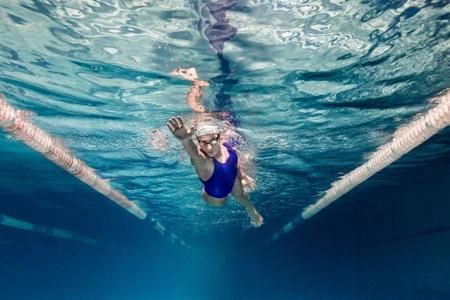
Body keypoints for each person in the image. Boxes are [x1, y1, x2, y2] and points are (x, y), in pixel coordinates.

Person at [166, 116, 264, 226]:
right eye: (203, 142)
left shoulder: (227, 147)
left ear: (219, 138)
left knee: (242, 196)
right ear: (198, 142)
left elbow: (234, 163)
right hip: (215, 195)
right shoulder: (203, 162)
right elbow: (195, 154)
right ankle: (207, 189)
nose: (209, 148)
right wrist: (186, 140)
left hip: (231, 180)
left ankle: (252, 212)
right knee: (222, 203)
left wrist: (243, 175)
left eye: (213, 141)